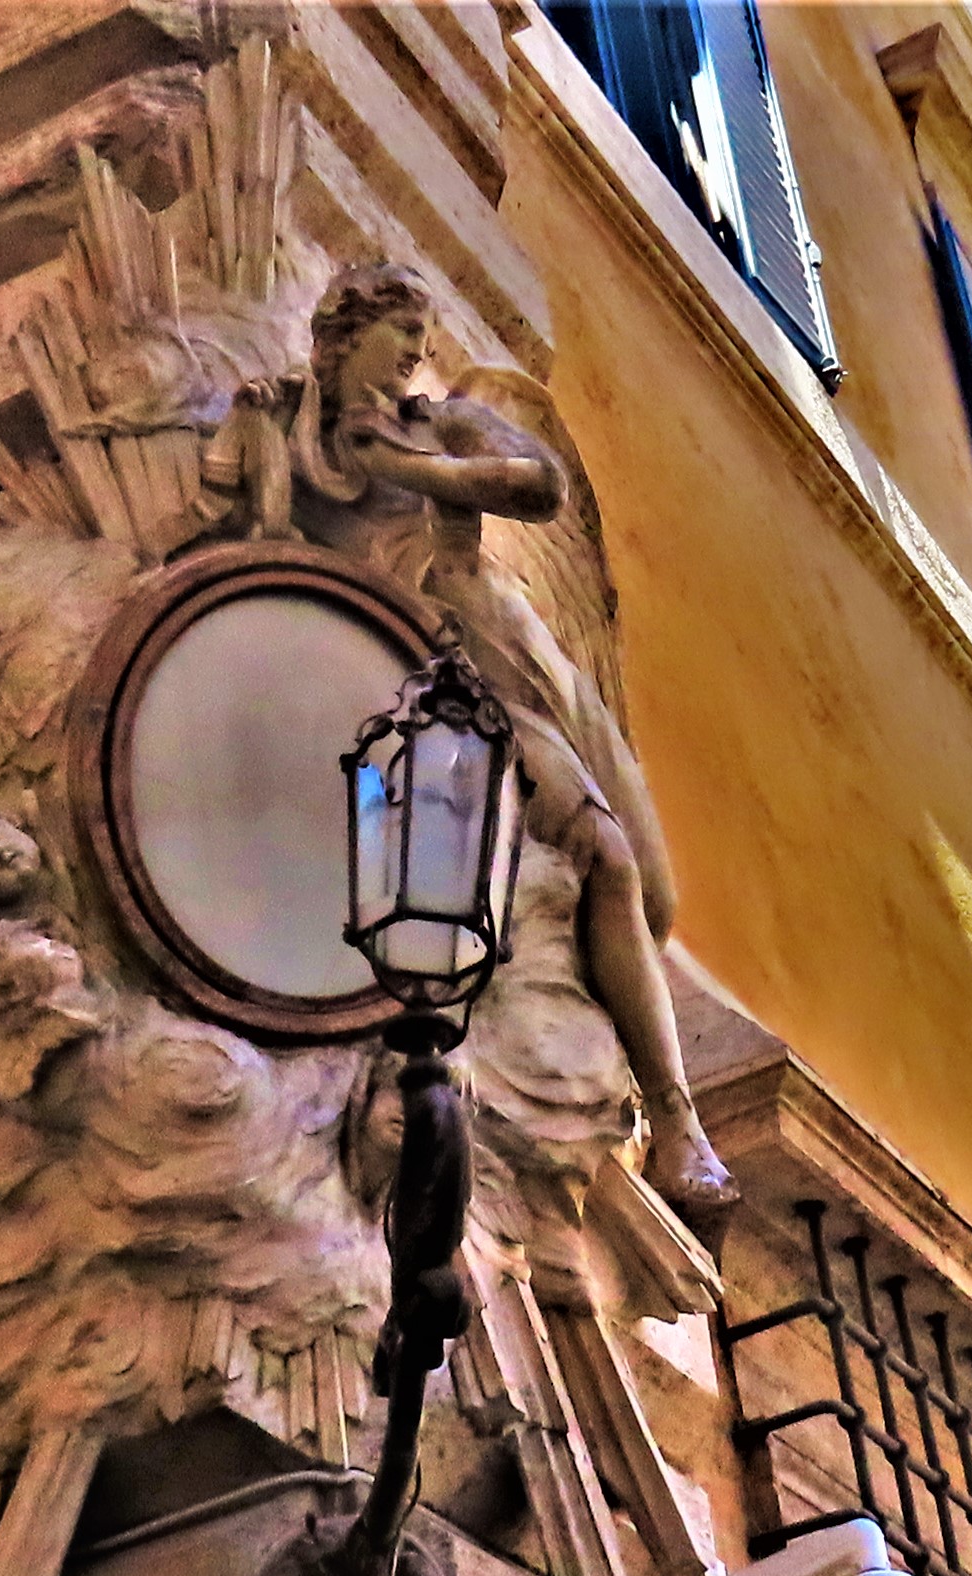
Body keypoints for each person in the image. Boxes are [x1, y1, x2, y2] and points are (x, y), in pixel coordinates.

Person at [286, 263, 735, 1219]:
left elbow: (540, 485)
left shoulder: (439, 423)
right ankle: (676, 1119)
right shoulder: (291, 440)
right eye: (400, 333)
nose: (414, 354)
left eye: (423, 337)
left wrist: (413, 470)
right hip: (425, 679)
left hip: (514, 650)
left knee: (647, 881)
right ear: (344, 336)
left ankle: (662, 1101)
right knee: (606, 857)